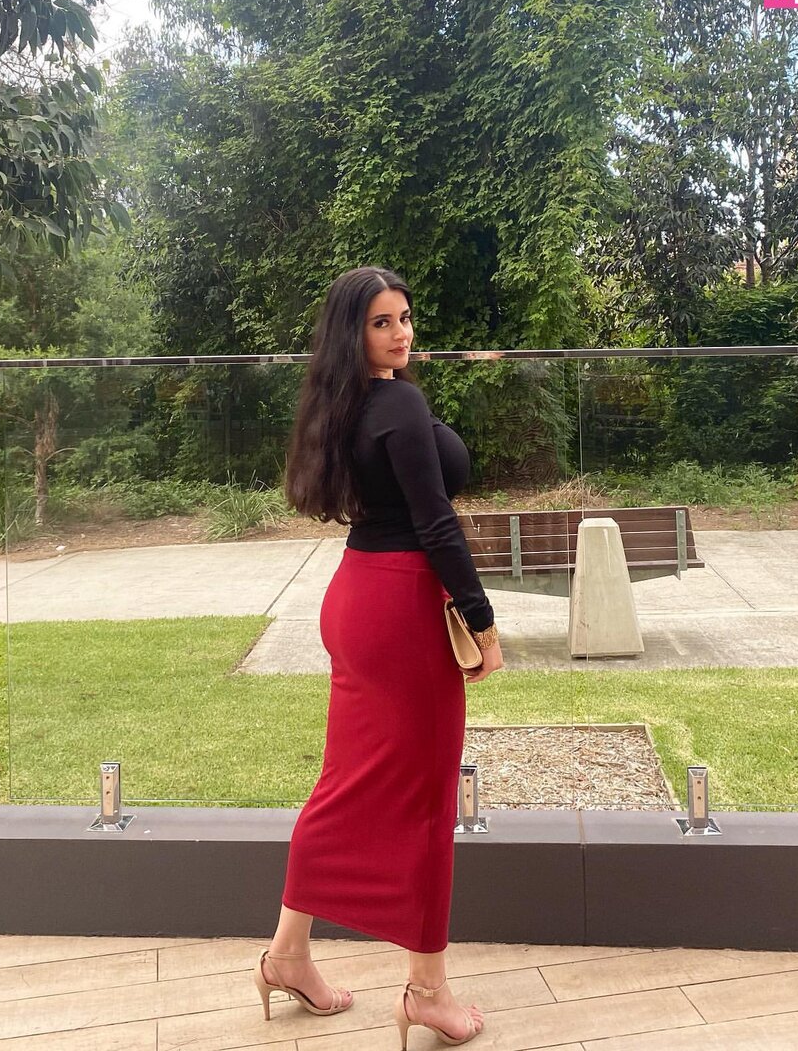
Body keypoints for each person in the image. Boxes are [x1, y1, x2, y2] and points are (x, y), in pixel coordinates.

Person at [253, 266, 503, 1047]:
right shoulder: (396, 403)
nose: (402, 334)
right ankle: (427, 993)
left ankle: (287, 955)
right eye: (382, 323)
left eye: (404, 318)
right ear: (352, 334)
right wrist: (483, 622)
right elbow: (436, 522)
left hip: (358, 597)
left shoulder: (345, 402)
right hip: (399, 609)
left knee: (346, 783)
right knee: (424, 802)